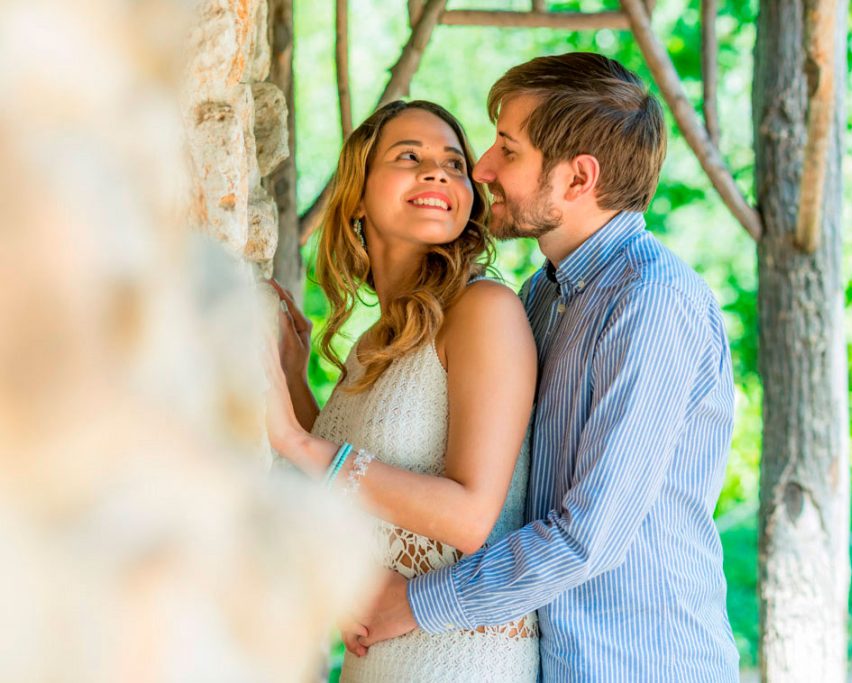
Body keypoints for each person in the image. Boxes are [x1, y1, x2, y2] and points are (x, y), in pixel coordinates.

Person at [351, 53, 741, 681]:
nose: (482, 169)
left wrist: (415, 605)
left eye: (508, 149)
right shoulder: (540, 295)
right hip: (542, 659)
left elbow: (588, 536)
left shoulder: (652, 303)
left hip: (642, 665)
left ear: (578, 179)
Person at [264, 99, 540, 681]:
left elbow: (470, 517)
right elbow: (354, 481)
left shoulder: (484, 309)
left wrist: (292, 438)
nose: (438, 171)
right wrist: (293, 379)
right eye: (408, 156)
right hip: (378, 663)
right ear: (358, 195)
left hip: (463, 662)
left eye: (454, 163)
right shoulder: (375, 340)